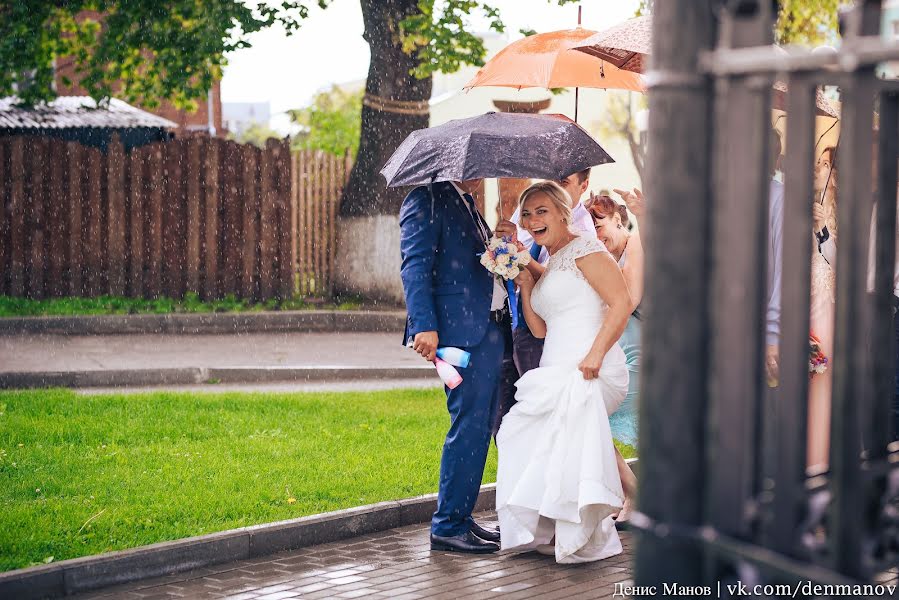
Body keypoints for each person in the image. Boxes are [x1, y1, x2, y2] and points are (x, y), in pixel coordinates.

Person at [496, 181, 632, 564]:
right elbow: (539, 329)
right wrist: (525, 282)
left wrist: (595, 354)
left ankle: (585, 534)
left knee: (566, 428)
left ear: (562, 212)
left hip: (591, 364)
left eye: (541, 210)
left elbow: (621, 302)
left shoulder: (587, 249)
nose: (532, 219)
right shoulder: (552, 259)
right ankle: (547, 529)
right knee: (519, 433)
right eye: (526, 213)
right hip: (555, 365)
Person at [399, 179, 508, 554]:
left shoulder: (469, 203)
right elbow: (414, 265)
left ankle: (460, 516)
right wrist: (423, 325)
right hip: (457, 335)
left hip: (488, 330)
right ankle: (447, 525)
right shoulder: (426, 198)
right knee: (468, 426)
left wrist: (502, 242)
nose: (483, 172)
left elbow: (476, 269)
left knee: (479, 429)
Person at [491, 168, 595, 436]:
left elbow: (556, 278)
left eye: (563, 182)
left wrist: (523, 259)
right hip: (523, 322)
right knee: (510, 415)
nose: (531, 219)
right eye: (527, 214)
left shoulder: (582, 234)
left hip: (554, 337)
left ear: (583, 186)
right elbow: (516, 266)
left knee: (557, 421)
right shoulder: (533, 218)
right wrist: (507, 248)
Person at [587, 194, 643, 522]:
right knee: (592, 420)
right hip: (620, 350)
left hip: (644, 350)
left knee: (593, 418)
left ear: (618, 220)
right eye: (591, 229)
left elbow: (631, 299)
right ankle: (632, 493)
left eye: (601, 226)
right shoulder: (602, 255)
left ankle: (634, 494)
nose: (597, 235)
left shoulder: (634, 245)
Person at [808, 146, 837, 471]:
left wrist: (822, 231)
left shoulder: (832, 209)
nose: (819, 168)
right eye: (817, 163)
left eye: (825, 164)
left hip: (824, 298)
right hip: (801, 299)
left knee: (825, 378)